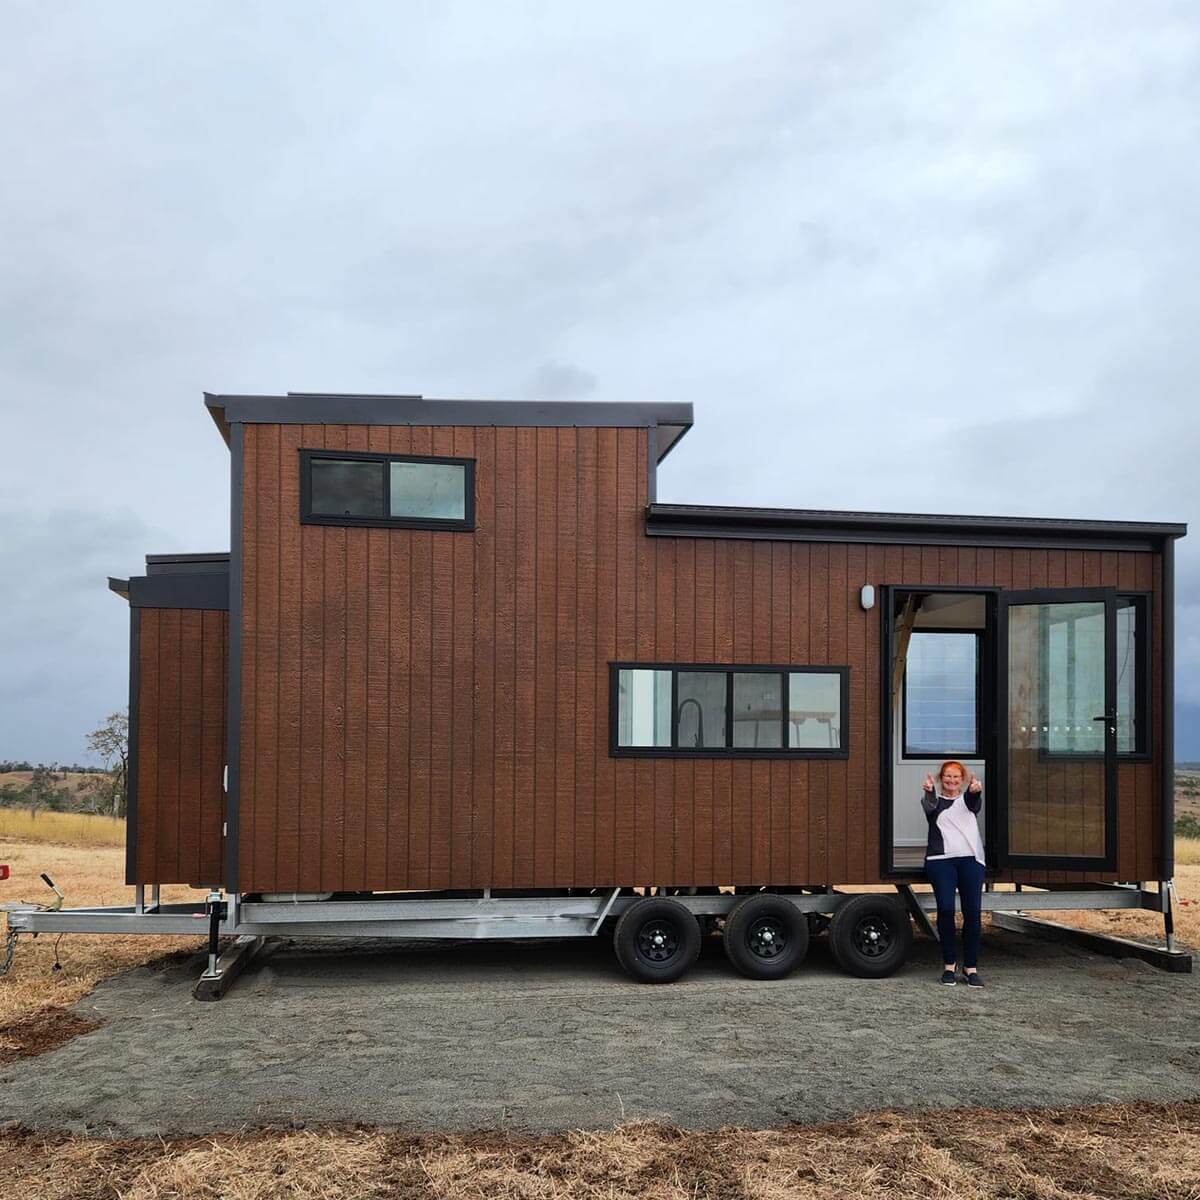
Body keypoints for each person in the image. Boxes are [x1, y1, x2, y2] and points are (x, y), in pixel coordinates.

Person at [922, 760, 985, 987]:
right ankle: (949, 965)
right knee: (946, 910)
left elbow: (973, 802)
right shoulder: (934, 801)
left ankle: (971, 967)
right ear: (941, 778)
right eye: (947, 776)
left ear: (963, 779)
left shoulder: (968, 799)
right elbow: (929, 806)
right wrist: (929, 791)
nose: (951, 780)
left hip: (971, 860)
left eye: (956, 777)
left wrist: (974, 791)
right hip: (941, 862)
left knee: (972, 914)